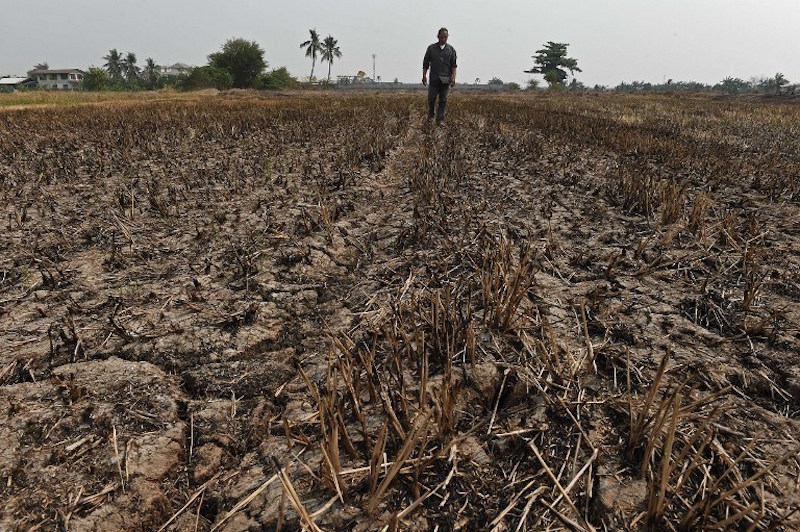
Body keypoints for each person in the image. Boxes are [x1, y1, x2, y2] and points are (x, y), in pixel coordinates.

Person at [422, 28, 457, 124]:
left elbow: (453, 65)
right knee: (431, 98)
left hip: (446, 79)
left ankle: (440, 119)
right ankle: (431, 116)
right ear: (438, 36)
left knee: (443, 100)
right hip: (434, 79)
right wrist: (424, 75)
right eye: (442, 37)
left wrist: (453, 77)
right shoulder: (431, 48)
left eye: (445, 37)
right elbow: (425, 63)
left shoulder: (451, 50)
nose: (444, 39)